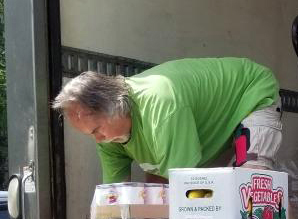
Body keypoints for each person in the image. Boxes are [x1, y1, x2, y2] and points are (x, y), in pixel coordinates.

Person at [53, 57, 282, 182]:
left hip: (250, 97)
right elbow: (115, 197)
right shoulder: (109, 140)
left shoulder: (161, 105)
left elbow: (184, 186)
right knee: (159, 187)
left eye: (96, 130)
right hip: (212, 124)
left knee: (253, 185)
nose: (99, 140)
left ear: (114, 107)